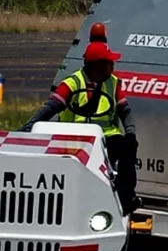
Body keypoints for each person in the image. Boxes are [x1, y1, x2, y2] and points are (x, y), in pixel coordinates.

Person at [20, 41, 141, 214]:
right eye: (109, 62)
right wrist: (29, 127)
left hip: (105, 139)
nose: (113, 66)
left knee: (129, 147)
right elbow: (51, 107)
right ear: (97, 66)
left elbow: (125, 111)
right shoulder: (72, 83)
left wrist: (130, 133)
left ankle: (125, 196)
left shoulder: (113, 83)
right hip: (73, 139)